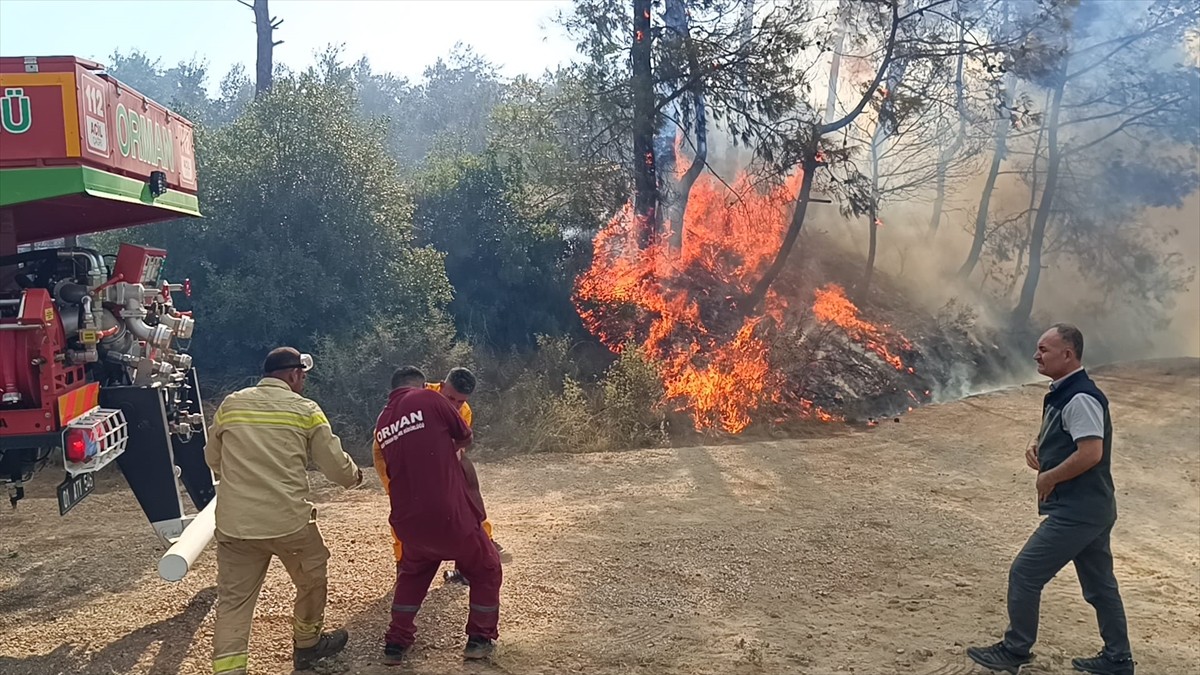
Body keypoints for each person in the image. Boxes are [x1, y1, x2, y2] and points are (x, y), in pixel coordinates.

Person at [967, 324, 1135, 675]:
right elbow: (1068, 434)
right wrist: (1038, 445)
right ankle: (1117, 659)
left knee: (1025, 573)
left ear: (1067, 354)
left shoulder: (1080, 397)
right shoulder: (1065, 392)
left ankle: (1015, 649)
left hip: (1078, 511)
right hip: (1092, 508)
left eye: (1043, 349)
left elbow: (1090, 453)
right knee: (1100, 587)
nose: (1036, 355)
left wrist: (1050, 476)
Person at [204, 347, 364, 675]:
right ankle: (307, 646)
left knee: (234, 603)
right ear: (294, 374)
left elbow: (212, 458)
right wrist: (355, 477)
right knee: (312, 582)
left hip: (236, 527)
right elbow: (334, 465)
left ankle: (229, 670)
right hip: (289, 524)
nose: (303, 382)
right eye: (302, 377)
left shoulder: (232, 405)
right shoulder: (305, 410)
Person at [374, 365, 502, 664]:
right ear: (428, 385)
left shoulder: (383, 420)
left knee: (413, 575)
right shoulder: (429, 399)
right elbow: (465, 437)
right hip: (447, 516)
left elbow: (388, 460)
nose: (455, 404)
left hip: (408, 520)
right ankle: (479, 640)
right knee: (487, 567)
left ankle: (395, 644)